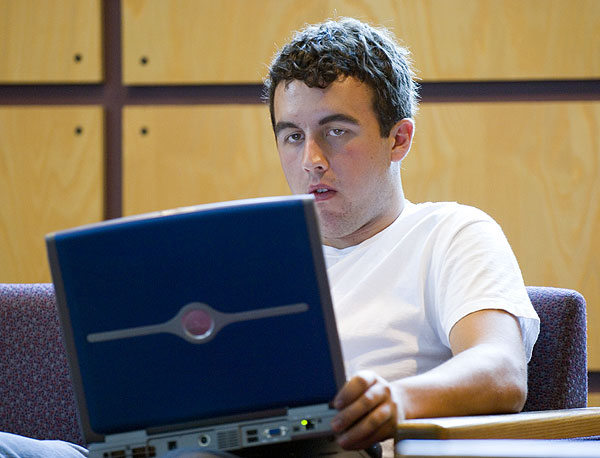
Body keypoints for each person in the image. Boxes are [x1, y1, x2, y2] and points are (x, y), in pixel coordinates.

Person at [0, 17, 539, 458]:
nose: (312, 160)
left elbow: (501, 369)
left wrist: (394, 399)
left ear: (398, 138)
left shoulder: (450, 232)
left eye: (337, 131)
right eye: (293, 135)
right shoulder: (254, 254)